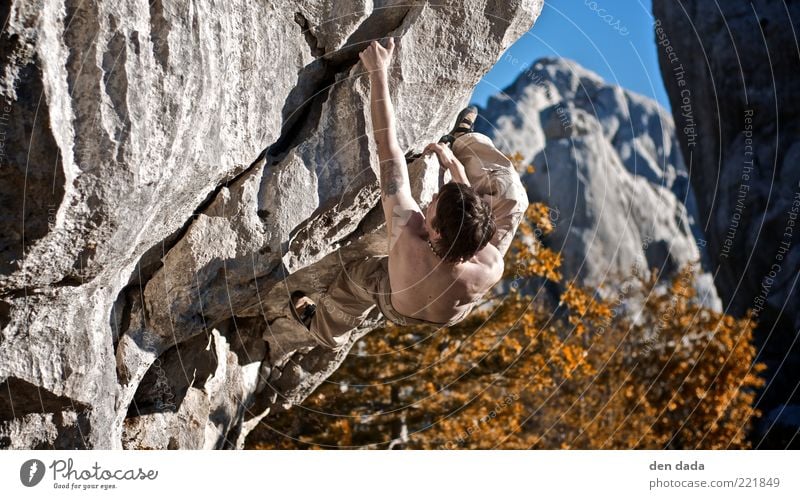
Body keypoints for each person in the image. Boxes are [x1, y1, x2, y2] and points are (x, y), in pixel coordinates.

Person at [289, 38, 529, 351]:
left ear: (434, 230)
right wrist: (456, 168)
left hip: (397, 306)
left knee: (360, 276)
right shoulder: (491, 264)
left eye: (432, 206)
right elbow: (468, 220)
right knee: (513, 198)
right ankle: (463, 140)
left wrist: (378, 71)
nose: (428, 201)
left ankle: (325, 330)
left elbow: (387, 147)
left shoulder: (406, 236)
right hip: (450, 313)